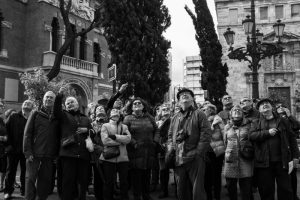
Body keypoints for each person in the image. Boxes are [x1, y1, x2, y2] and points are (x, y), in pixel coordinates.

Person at [250, 98, 300, 200]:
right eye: (261, 104)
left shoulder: (283, 121)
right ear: (259, 109)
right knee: (266, 191)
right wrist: (267, 133)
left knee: (286, 190)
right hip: (263, 163)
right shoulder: (255, 122)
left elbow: (292, 138)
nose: (264, 105)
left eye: (267, 103)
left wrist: (295, 156)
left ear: (272, 107)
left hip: (283, 161)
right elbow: (251, 136)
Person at [167, 88, 211, 200]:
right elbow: (170, 136)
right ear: (178, 102)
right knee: (181, 190)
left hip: (195, 158)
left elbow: (206, 134)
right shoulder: (175, 117)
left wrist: (198, 153)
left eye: (188, 94)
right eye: (181, 95)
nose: (184, 95)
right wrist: (171, 149)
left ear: (193, 99)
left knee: (198, 191)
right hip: (178, 158)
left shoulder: (199, 114)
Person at [54, 88, 93, 200]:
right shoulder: (63, 115)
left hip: (83, 155)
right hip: (68, 154)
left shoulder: (86, 118)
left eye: (72, 102)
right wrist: (59, 96)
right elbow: (56, 110)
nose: (70, 104)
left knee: (82, 182)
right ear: (65, 106)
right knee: (68, 182)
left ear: (77, 104)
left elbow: (93, 132)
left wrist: (87, 131)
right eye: (67, 103)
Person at [23, 91, 60, 200]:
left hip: (48, 155)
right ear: (43, 99)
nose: (48, 99)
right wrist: (27, 152)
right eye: (47, 97)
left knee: (44, 182)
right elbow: (27, 133)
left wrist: (56, 154)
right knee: (30, 180)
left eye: (51, 98)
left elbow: (57, 137)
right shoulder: (35, 113)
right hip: (34, 154)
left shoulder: (56, 117)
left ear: (54, 101)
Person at [123, 97, 159, 200]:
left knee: (147, 175)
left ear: (143, 106)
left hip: (149, 151)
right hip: (135, 151)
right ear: (132, 107)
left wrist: (155, 141)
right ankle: (137, 196)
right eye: (135, 103)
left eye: (139, 103)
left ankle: (146, 195)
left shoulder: (149, 117)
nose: (137, 104)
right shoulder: (128, 118)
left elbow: (157, 130)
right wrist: (134, 143)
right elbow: (125, 132)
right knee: (136, 177)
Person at [3, 100, 33, 198]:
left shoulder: (33, 119)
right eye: (25, 103)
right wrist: (8, 145)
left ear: (32, 107)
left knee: (25, 172)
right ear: (22, 105)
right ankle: (8, 191)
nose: (26, 104)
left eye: (29, 103)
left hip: (26, 151)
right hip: (13, 149)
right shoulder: (14, 116)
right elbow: (5, 131)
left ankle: (24, 190)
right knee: (10, 171)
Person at [223, 105, 254, 200]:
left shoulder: (249, 125)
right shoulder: (227, 126)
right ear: (231, 114)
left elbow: (253, 139)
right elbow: (225, 142)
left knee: (246, 188)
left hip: (245, 158)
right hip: (230, 159)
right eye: (234, 110)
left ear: (243, 114)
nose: (236, 111)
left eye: (239, 110)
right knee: (231, 187)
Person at [100, 108, 131, 200]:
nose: (115, 116)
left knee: (124, 182)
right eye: (113, 115)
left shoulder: (124, 127)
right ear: (110, 116)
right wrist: (121, 141)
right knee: (109, 182)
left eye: (117, 114)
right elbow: (105, 141)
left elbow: (128, 139)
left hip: (123, 158)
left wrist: (115, 137)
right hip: (109, 158)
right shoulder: (105, 126)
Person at [275, 103, 300, 200]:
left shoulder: (289, 118)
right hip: (280, 151)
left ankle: (294, 195)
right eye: (278, 107)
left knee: (292, 175)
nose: (280, 108)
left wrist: (290, 116)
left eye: (282, 106)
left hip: (290, 150)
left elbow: (297, 126)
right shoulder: (275, 120)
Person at [202, 103, 225, 200]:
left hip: (217, 152)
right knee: (207, 176)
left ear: (211, 110)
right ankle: (209, 197)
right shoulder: (202, 121)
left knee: (216, 176)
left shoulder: (218, 120)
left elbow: (224, 134)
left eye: (205, 109)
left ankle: (217, 196)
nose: (203, 111)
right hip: (206, 151)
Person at [90, 104, 107, 200]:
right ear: (95, 112)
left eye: (102, 108)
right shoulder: (91, 124)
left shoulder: (110, 123)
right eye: (98, 108)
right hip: (96, 156)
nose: (100, 109)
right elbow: (89, 141)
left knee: (109, 177)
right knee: (97, 178)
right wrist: (101, 149)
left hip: (109, 155)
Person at [156, 104, 171, 199]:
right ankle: (164, 190)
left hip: (172, 147)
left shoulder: (174, 120)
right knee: (163, 170)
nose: (166, 110)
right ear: (160, 112)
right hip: (161, 148)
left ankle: (179, 190)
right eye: (164, 109)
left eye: (167, 109)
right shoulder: (157, 122)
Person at [0, 99, 8, 193]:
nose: (2, 107)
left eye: (2, 106)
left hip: (2, 148)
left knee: (3, 167)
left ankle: (1, 185)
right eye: (0, 106)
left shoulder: (1, 120)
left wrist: (5, 137)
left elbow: (5, 132)